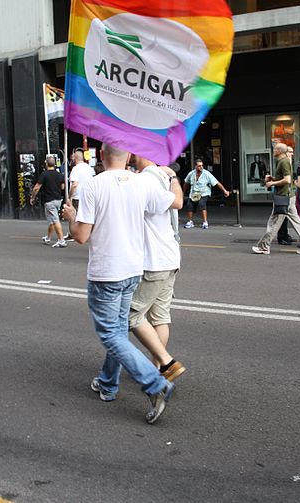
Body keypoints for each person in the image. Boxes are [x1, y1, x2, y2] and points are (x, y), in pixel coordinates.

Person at [62, 144, 183, 424]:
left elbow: (81, 236)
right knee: (117, 330)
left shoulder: (92, 186)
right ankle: (107, 384)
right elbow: (174, 203)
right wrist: (171, 176)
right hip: (132, 270)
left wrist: (70, 218)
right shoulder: (141, 184)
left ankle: (157, 383)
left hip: (106, 272)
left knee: (111, 335)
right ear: (128, 156)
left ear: (101, 157)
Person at [128, 155, 185, 382]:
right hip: (170, 257)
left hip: (154, 261)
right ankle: (159, 369)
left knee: (131, 316)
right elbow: (178, 199)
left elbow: (178, 203)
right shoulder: (165, 176)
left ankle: (166, 362)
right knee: (159, 317)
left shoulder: (144, 181)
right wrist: (173, 176)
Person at [251, 143, 300, 255]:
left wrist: (272, 183)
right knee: (297, 223)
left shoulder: (284, 162)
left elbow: (287, 180)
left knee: (273, 223)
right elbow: (284, 178)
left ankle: (264, 247)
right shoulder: (283, 161)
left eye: (275, 149)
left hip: (283, 197)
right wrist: (273, 178)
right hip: (289, 197)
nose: (273, 150)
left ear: (280, 151)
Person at [30, 156, 67, 248]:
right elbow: (63, 187)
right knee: (51, 220)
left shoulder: (44, 174)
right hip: (58, 200)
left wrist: (32, 197)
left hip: (49, 201)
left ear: (46, 164)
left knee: (55, 220)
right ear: (55, 164)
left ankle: (61, 240)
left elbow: (36, 187)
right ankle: (48, 238)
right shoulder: (59, 175)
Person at [183, 159, 230, 229]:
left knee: (201, 203)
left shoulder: (207, 174)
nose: (201, 167)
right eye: (199, 166)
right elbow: (186, 184)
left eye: (202, 166)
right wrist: (183, 193)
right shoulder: (191, 174)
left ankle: (205, 222)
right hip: (194, 193)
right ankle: (190, 222)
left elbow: (217, 183)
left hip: (204, 193)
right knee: (190, 204)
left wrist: (224, 190)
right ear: (195, 166)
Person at [64, 150, 93, 242]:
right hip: (87, 196)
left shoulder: (76, 169)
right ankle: (86, 233)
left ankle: (74, 234)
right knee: (85, 216)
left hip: (77, 196)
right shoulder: (88, 168)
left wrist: (69, 196)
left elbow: (75, 184)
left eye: (72, 158)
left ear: (75, 158)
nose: (71, 160)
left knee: (74, 216)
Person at [277, 146, 296, 245]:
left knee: (285, 217)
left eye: (293, 152)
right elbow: (286, 179)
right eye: (290, 152)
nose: (292, 154)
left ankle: (285, 235)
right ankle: (282, 237)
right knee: (281, 217)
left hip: (289, 193)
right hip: (284, 194)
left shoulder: (289, 162)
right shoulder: (284, 162)